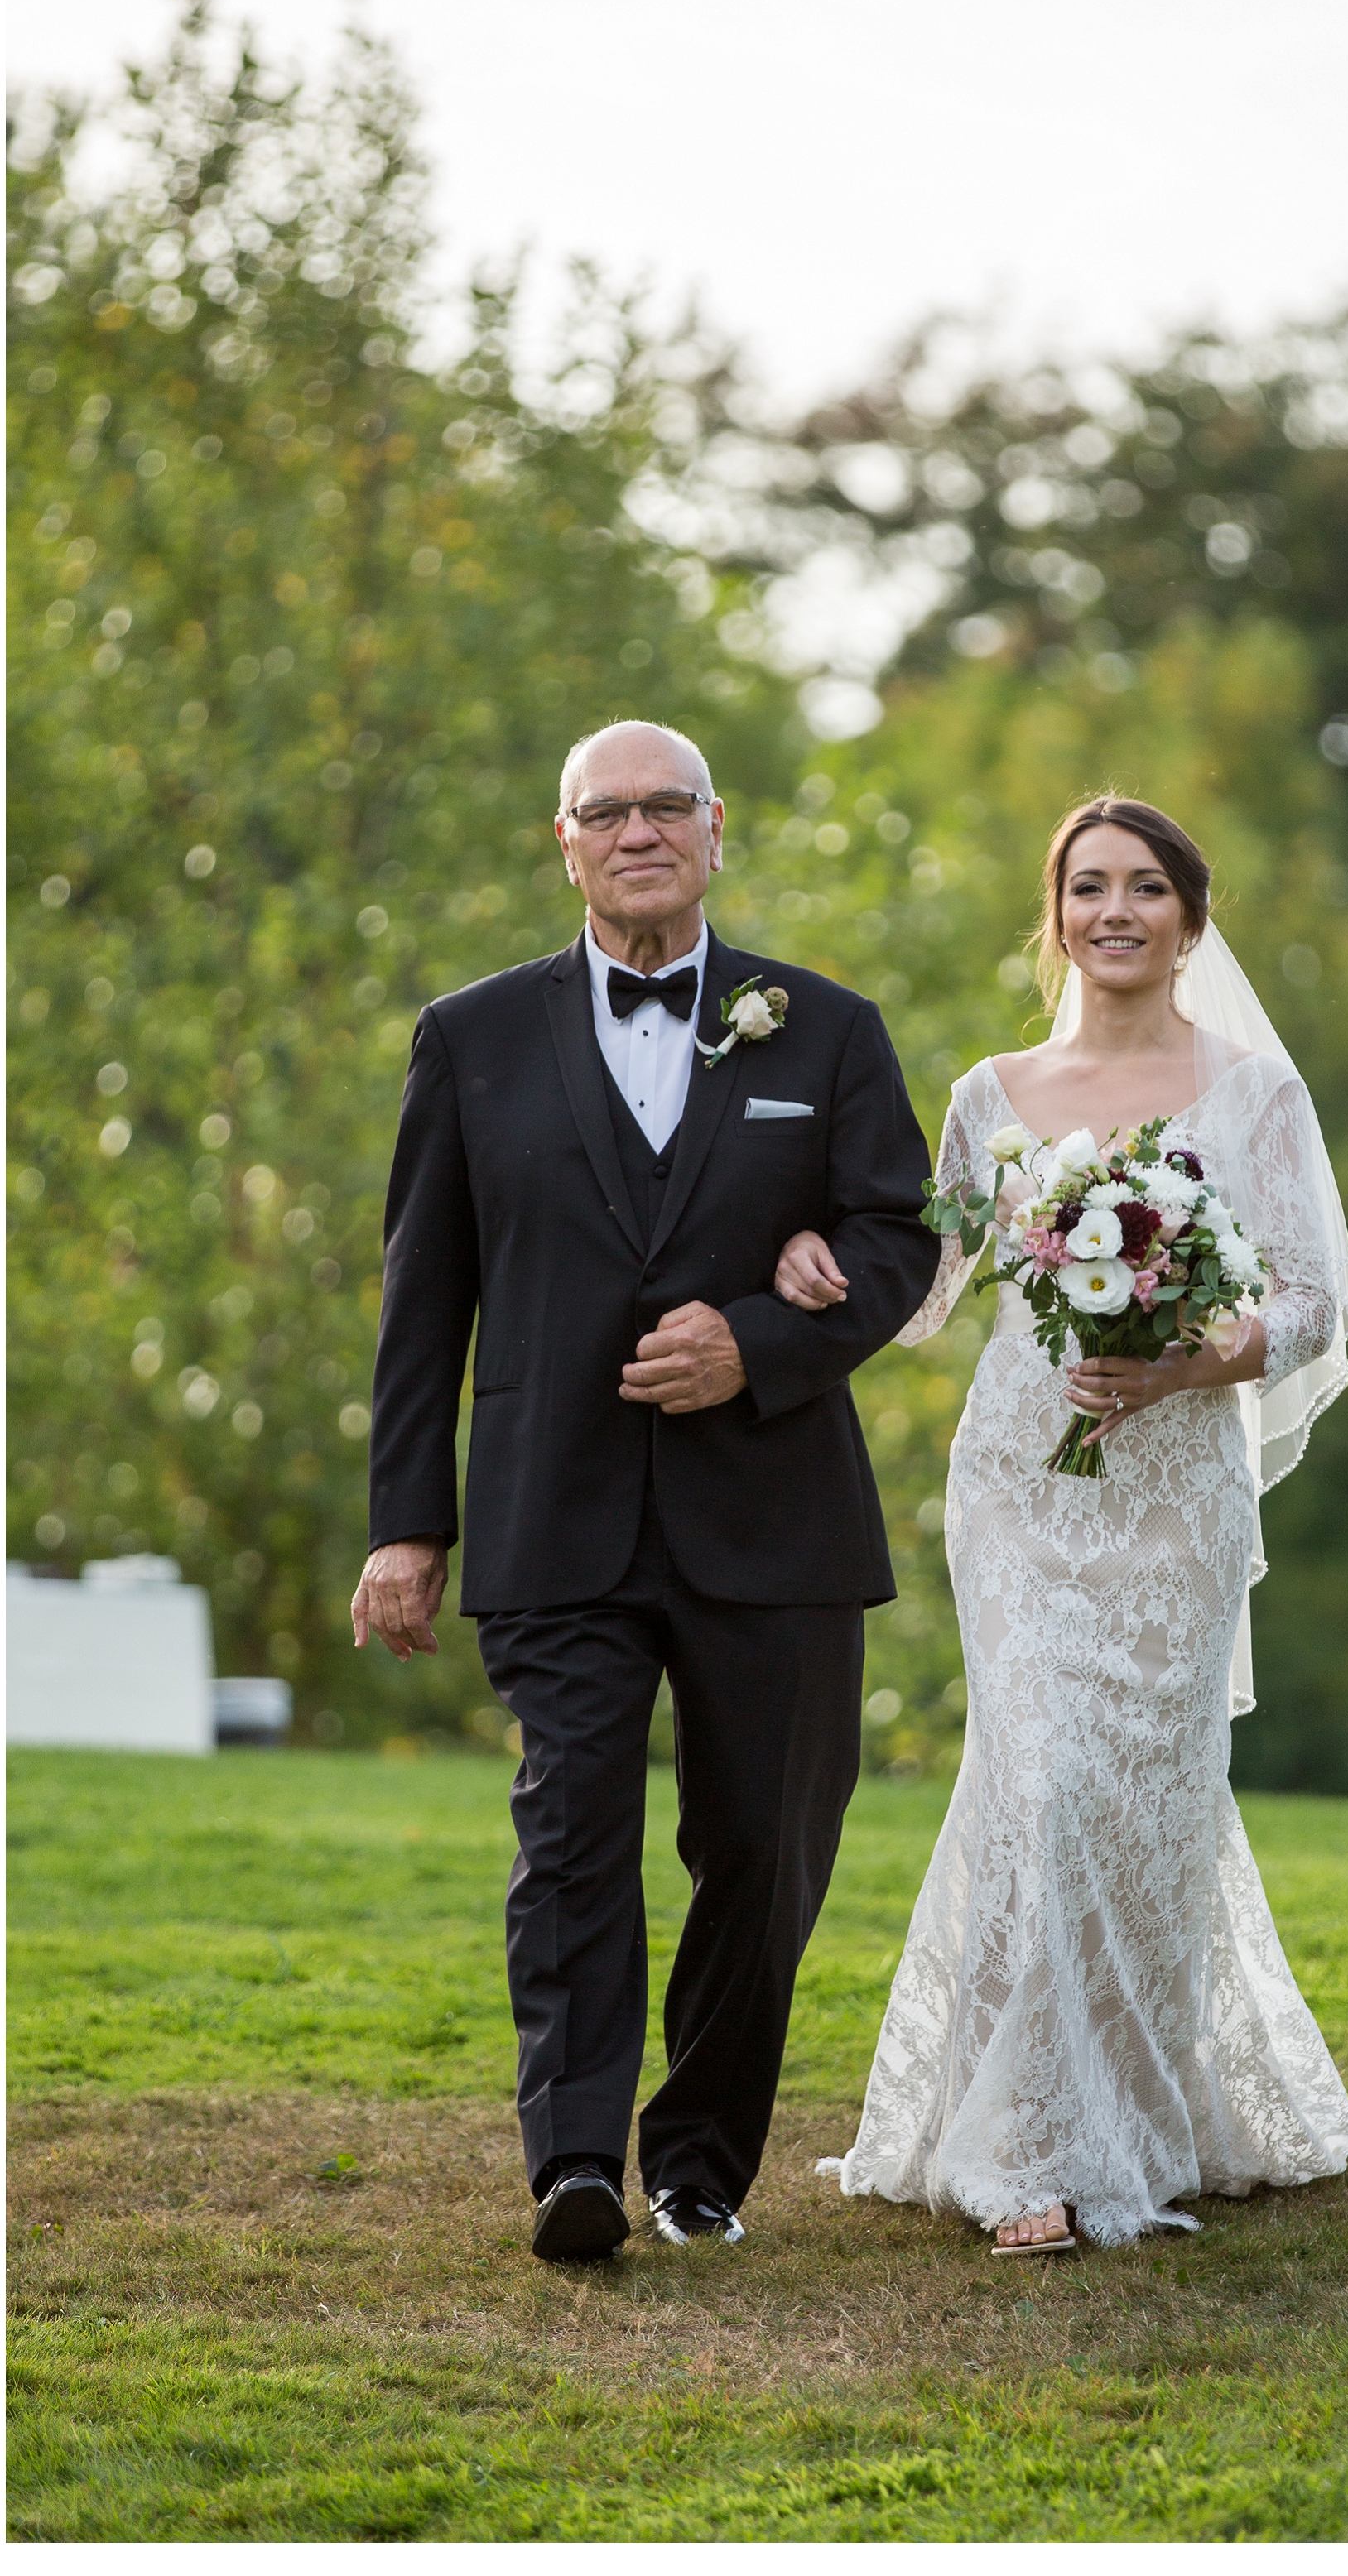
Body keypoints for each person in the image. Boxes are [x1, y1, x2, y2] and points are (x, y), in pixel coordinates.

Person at [352, 721, 937, 2263]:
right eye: (602, 811)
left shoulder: (824, 1029)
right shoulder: (468, 1039)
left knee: (760, 1851)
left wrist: (753, 1343)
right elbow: (424, 1301)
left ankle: (698, 2163)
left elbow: (899, 1246)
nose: (636, 831)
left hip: (779, 1523)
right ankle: (572, 2163)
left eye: (663, 805)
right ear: (565, 844)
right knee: (571, 1832)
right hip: (557, 1508)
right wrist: (408, 1523)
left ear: (714, 827)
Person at [774, 796, 1348, 2254]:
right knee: (1039, 1782)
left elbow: (1303, 1300)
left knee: (1140, 1799)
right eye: (1087, 886)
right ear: (1054, 916)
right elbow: (927, 1286)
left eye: (1145, 887)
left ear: (1188, 917)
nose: (1115, 910)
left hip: (1173, 1496)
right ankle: (1025, 2144)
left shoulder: (1250, 1095)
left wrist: (1182, 1362)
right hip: (1021, 1485)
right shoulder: (990, 1090)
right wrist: (801, 1265)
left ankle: (1151, 2104)